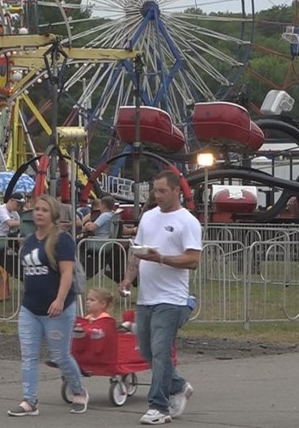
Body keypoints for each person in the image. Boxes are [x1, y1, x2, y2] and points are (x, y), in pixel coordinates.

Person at [119, 170, 201, 425]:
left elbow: (193, 260)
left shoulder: (188, 221)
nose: (158, 195)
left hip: (172, 299)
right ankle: (178, 385)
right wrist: (127, 279)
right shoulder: (149, 217)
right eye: (155, 190)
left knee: (160, 352)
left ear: (177, 190)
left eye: (163, 191)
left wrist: (162, 258)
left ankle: (158, 406)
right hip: (147, 297)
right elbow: (137, 252)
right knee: (146, 351)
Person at [7, 194, 89, 417]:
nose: (39, 213)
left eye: (44, 210)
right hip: (30, 308)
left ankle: (79, 391)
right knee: (29, 356)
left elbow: (66, 273)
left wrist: (60, 300)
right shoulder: (30, 240)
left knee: (61, 355)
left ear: (53, 215)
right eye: (36, 209)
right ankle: (29, 400)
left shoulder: (62, 240)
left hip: (57, 308)